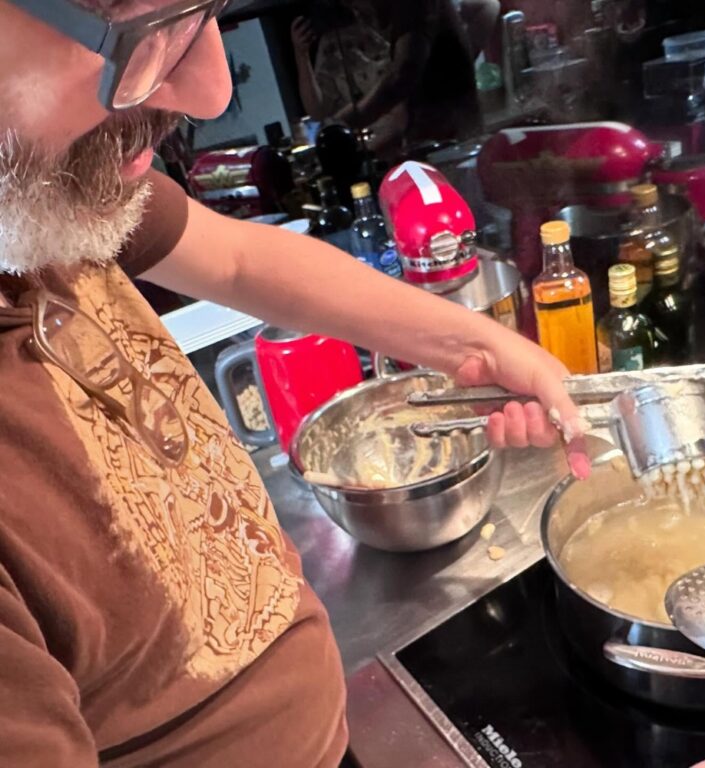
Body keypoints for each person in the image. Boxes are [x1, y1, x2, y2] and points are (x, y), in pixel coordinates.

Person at [0, 0, 586, 766]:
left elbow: (240, 260)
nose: (212, 91)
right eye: (147, 36)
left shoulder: (38, 198)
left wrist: (474, 345)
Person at [292, 0, 482, 151]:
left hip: (452, 143)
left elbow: (400, 78)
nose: (354, 9)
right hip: (438, 141)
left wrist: (341, 124)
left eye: (353, 2)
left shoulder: (412, 5)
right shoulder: (395, 23)